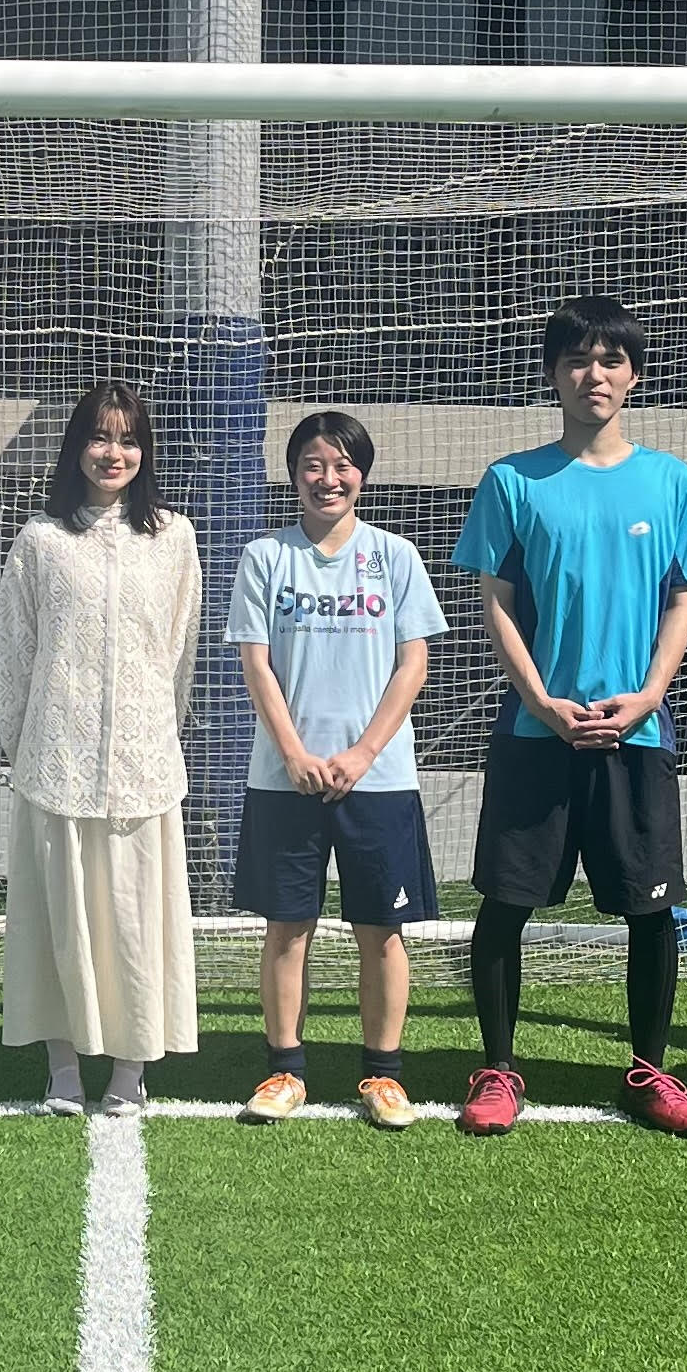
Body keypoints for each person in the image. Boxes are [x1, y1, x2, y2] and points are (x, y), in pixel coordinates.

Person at [449, 293, 687, 1140]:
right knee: (507, 902)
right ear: (553, 374)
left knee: (651, 910)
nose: (593, 374)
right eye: (577, 360)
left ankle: (649, 1072)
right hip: (537, 732)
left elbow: (682, 598)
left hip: (638, 733)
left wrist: (650, 696)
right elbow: (494, 599)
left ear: (634, 376)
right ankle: (497, 1068)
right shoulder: (512, 480)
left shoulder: (671, 481)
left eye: (610, 360)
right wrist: (538, 699)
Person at [225, 410, 445, 1129]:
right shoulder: (265, 556)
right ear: (293, 474)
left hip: (378, 780)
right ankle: (285, 1070)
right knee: (288, 927)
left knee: (382, 930)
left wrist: (362, 753)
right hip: (285, 778)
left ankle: (383, 1075)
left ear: (362, 475)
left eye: (342, 465)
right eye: (314, 465)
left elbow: (413, 665)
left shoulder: (396, 556)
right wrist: (294, 753)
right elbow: (256, 664)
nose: (329, 478)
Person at [0, 384, 203, 1113]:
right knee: (58, 920)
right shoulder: (40, 540)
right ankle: (61, 1067)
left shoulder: (173, 538)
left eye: (129, 439)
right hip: (55, 763)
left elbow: (179, 653)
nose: (114, 453)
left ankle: (128, 1069)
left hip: (143, 769)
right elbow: (16, 656)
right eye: (100, 437)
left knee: (133, 924)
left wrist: (156, 734)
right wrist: (25, 751)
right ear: (75, 446)